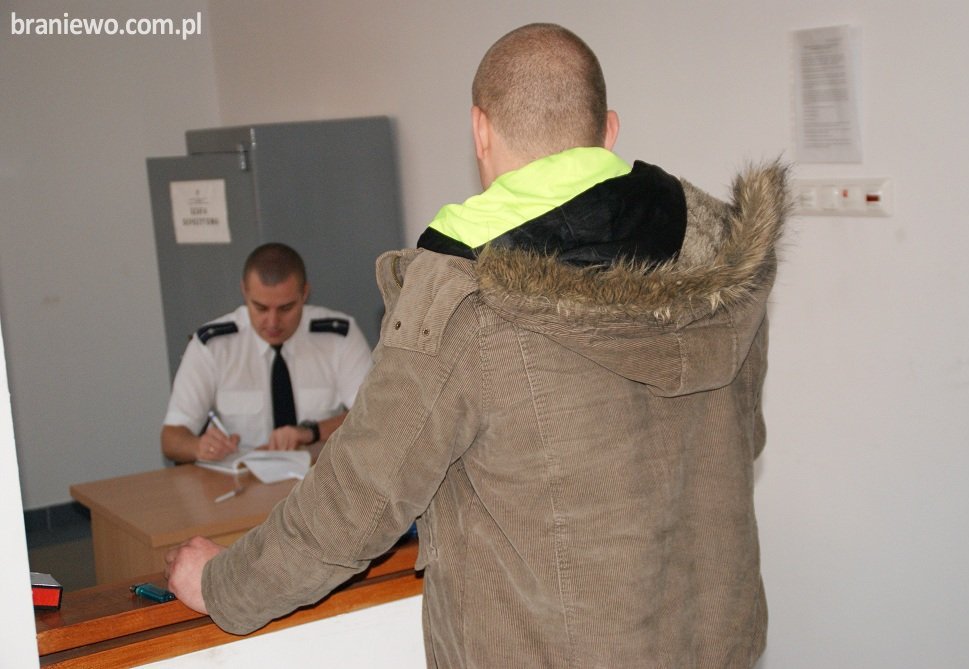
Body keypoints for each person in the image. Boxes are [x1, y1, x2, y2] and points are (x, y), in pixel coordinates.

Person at [166, 23, 789, 667]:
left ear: (479, 131)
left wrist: (221, 584)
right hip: (715, 644)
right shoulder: (721, 259)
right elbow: (742, 439)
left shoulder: (465, 296)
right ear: (608, 131)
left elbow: (355, 504)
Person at [160, 242, 372, 463]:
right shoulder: (214, 345)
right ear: (244, 291)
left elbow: (375, 415)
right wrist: (199, 447)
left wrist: (311, 432)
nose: (272, 322)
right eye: (260, 308)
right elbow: (171, 438)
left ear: (304, 294)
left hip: (321, 473)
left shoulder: (339, 337)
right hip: (243, 478)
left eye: (286, 308)